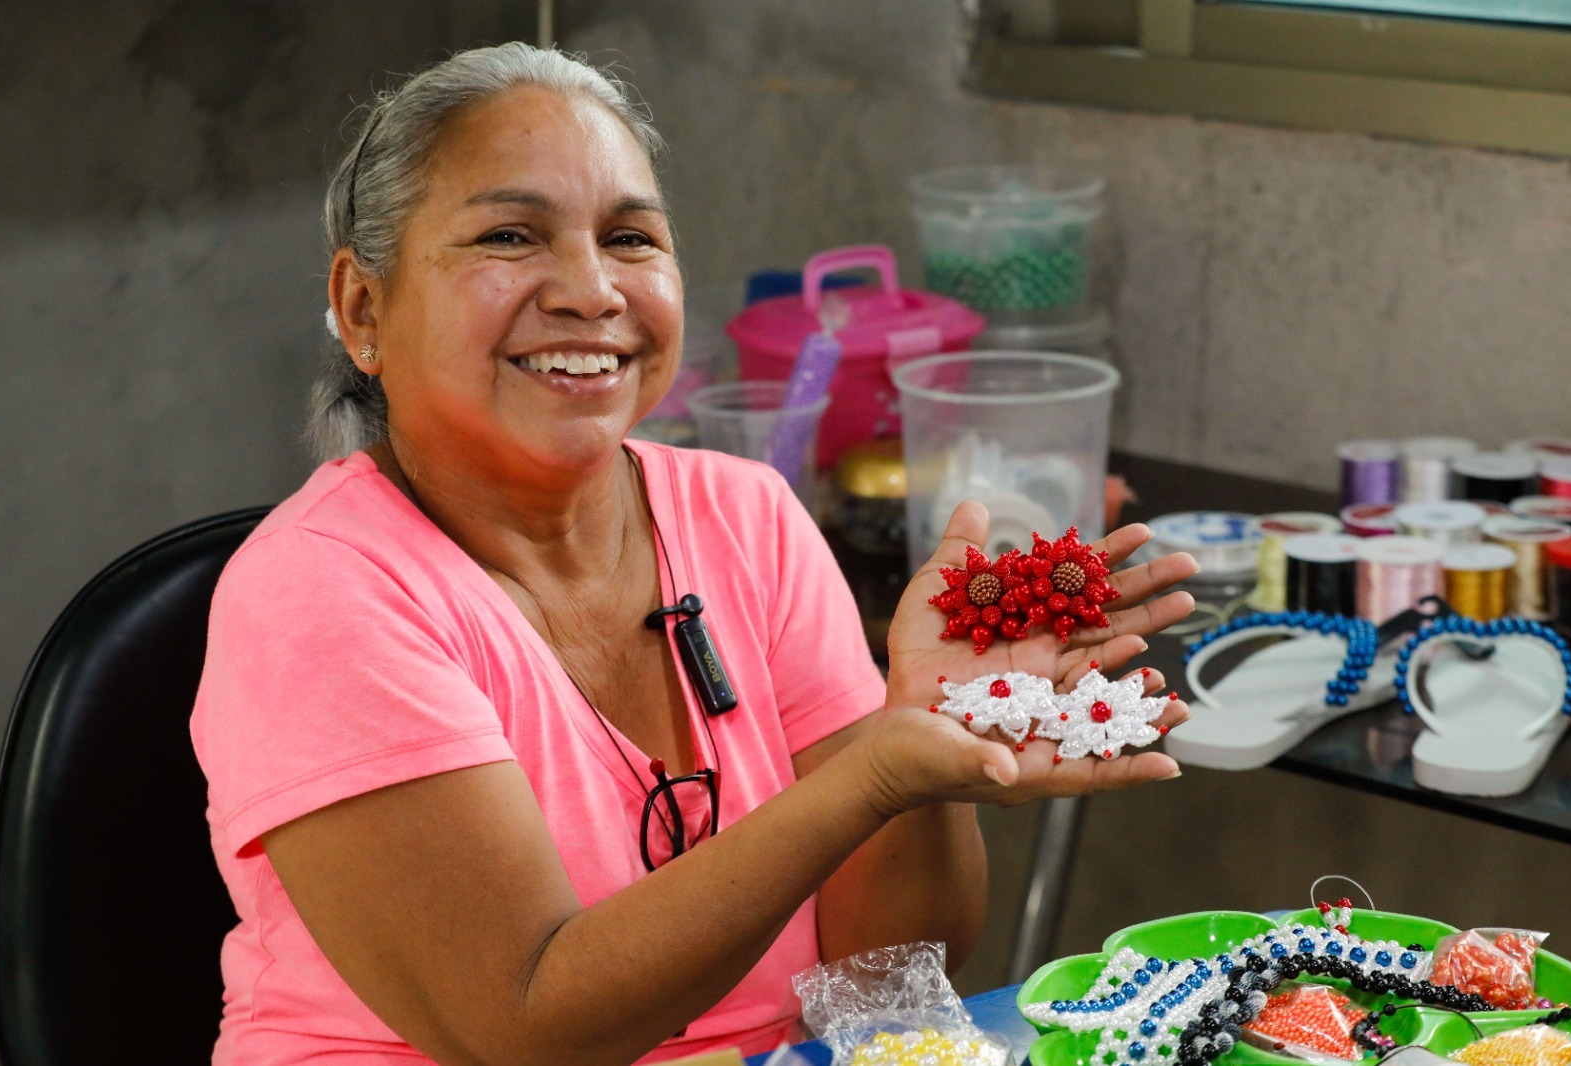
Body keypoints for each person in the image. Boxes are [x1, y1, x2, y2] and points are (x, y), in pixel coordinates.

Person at [190, 42, 1198, 1066]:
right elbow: (526, 1026)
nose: (590, 290)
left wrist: (927, 738)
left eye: (630, 237)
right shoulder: (320, 594)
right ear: (364, 309)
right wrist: (868, 777)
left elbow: (882, 972)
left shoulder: (745, 515)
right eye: (509, 234)